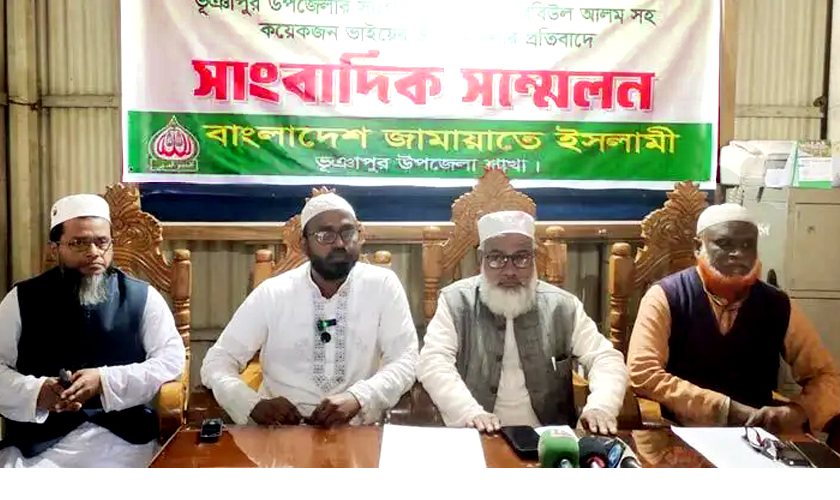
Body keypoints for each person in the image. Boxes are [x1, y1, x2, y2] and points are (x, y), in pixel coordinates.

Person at [201, 193, 418, 427]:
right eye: (325, 235)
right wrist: (251, 404)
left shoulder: (382, 285)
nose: (339, 243)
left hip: (356, 429)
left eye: (348, 233)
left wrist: (359, 397)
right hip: (279, 432)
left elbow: (405, 360)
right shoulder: (273, 292)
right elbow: (218, 361)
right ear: (304, 244)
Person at [0, 194, 186, 468]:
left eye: (102, 242)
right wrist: (36, 392)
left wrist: (105, 381)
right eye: (79, 243)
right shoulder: (21, 299)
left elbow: (171, 362)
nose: (94, 252)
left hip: (124, 439)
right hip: (38, 443)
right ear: (55, 249)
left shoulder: (142, 297)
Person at [627, 203, 840, 435]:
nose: (738, 254)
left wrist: (798, 411)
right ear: (698, 248)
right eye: (724, 243)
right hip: (682, 434)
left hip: (758, 437)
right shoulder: (666, 297)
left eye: (747, 245)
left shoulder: (777, 304)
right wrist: (725, 410)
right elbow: (642, 373)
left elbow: (826, 377)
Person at [417, 210, 629, 435]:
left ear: (534, 258)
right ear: (481, 260)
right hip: (476, 434)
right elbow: (433, 362)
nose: (510, 271)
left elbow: (605, 358)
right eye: (496, 258)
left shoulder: (563, 306)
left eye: (521, 258)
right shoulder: (456, 302)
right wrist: (469, 412)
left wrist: (600, 406)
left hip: (550, 438)